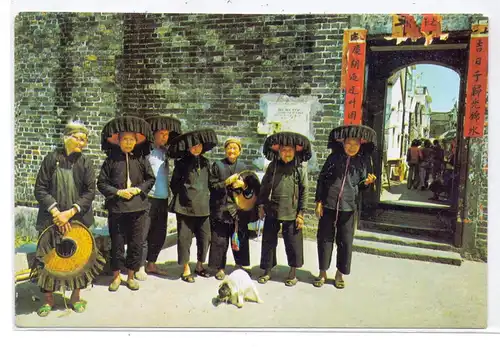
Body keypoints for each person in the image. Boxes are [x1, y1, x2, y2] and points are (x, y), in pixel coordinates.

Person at [33, 120, 96, 317]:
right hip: (51, 219)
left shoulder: (85, 163)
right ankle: (49, 300)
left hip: (78, 218)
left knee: (79, 261)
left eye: (85, 140)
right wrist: (56, 213)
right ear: (67, 137)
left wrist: (69, 213)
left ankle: (76, 297)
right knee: (48, 261)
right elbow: (40, 188)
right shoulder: (51, 159)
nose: (82, 143)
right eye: (79, 138)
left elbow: (90, 191)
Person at [313, 125, 377, 289]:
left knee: (346, 241)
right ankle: (322, 272)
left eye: (356, 144)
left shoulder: (362, 162)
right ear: (343, 143)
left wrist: (367, 183)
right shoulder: (333, 159)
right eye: (349, 143)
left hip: (349, 207)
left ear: (360, 145)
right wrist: (319, 201)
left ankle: (340, 273)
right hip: (329, 204)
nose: (352, 147)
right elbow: (322, 179)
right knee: (324, 239)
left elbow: (361, 185)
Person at [97, 116, 156, 292]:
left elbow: (150, 178)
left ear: (136, 142)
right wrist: (117, 192)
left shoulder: (141, 159)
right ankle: (116, 277)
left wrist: (138, 190)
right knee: (117, 243)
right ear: (119, 141)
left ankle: (130, 276)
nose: (129, 143)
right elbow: (101, 183)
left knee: (136, 243)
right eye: (125, 139)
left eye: (132, 140)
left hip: (139, 208)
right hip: (117, 208)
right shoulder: (111, 160)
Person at [256, 132, 311, 287]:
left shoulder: (299, 168)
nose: (287, 153)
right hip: (272, 209)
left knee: (293, 243)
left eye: (290, 150)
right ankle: (267, 270)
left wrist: (301, 213)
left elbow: (305, 190)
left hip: (292, 212)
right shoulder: (273, 166)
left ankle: (292, 272)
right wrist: (261, 205)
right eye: (283, 150)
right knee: (268, 242)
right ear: (278, 151)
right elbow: (264, 186)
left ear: (295, 151)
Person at [168, 129, 218, 283]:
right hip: (185, 207)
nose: (196, 148)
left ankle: (200, 265)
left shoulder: (206, 162)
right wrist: (185, 196)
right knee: (184, 238)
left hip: (203, 206)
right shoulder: (182, 163)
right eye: (193, 146)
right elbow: (174, 184)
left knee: (205, 238)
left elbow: (211, 183)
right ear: (188, 147)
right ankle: (186, 269)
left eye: (199, 145)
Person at [135, 116, 182, 280]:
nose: (165, 137)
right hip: (148, 197)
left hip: (163, 197)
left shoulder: (165, 153)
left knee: (159, 233)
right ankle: (140, 266)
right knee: (144, 233)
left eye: (167, 134)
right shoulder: (145, 152)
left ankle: (151, 263)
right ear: (153, 134)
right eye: (162, 134)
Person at [208, 138, 254, 280]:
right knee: (220, 240)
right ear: (225, 150)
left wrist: (243, 186)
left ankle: (240, 266)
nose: (232, 151)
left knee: (239, 238)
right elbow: (212, 186)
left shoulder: (244, 167)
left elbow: (251, 190)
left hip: (238, 210)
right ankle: (220, 268)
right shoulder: (217, 165)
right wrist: (226, 182)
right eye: (229, 148)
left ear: (239, 151)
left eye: (235, 148)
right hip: (221, 208)